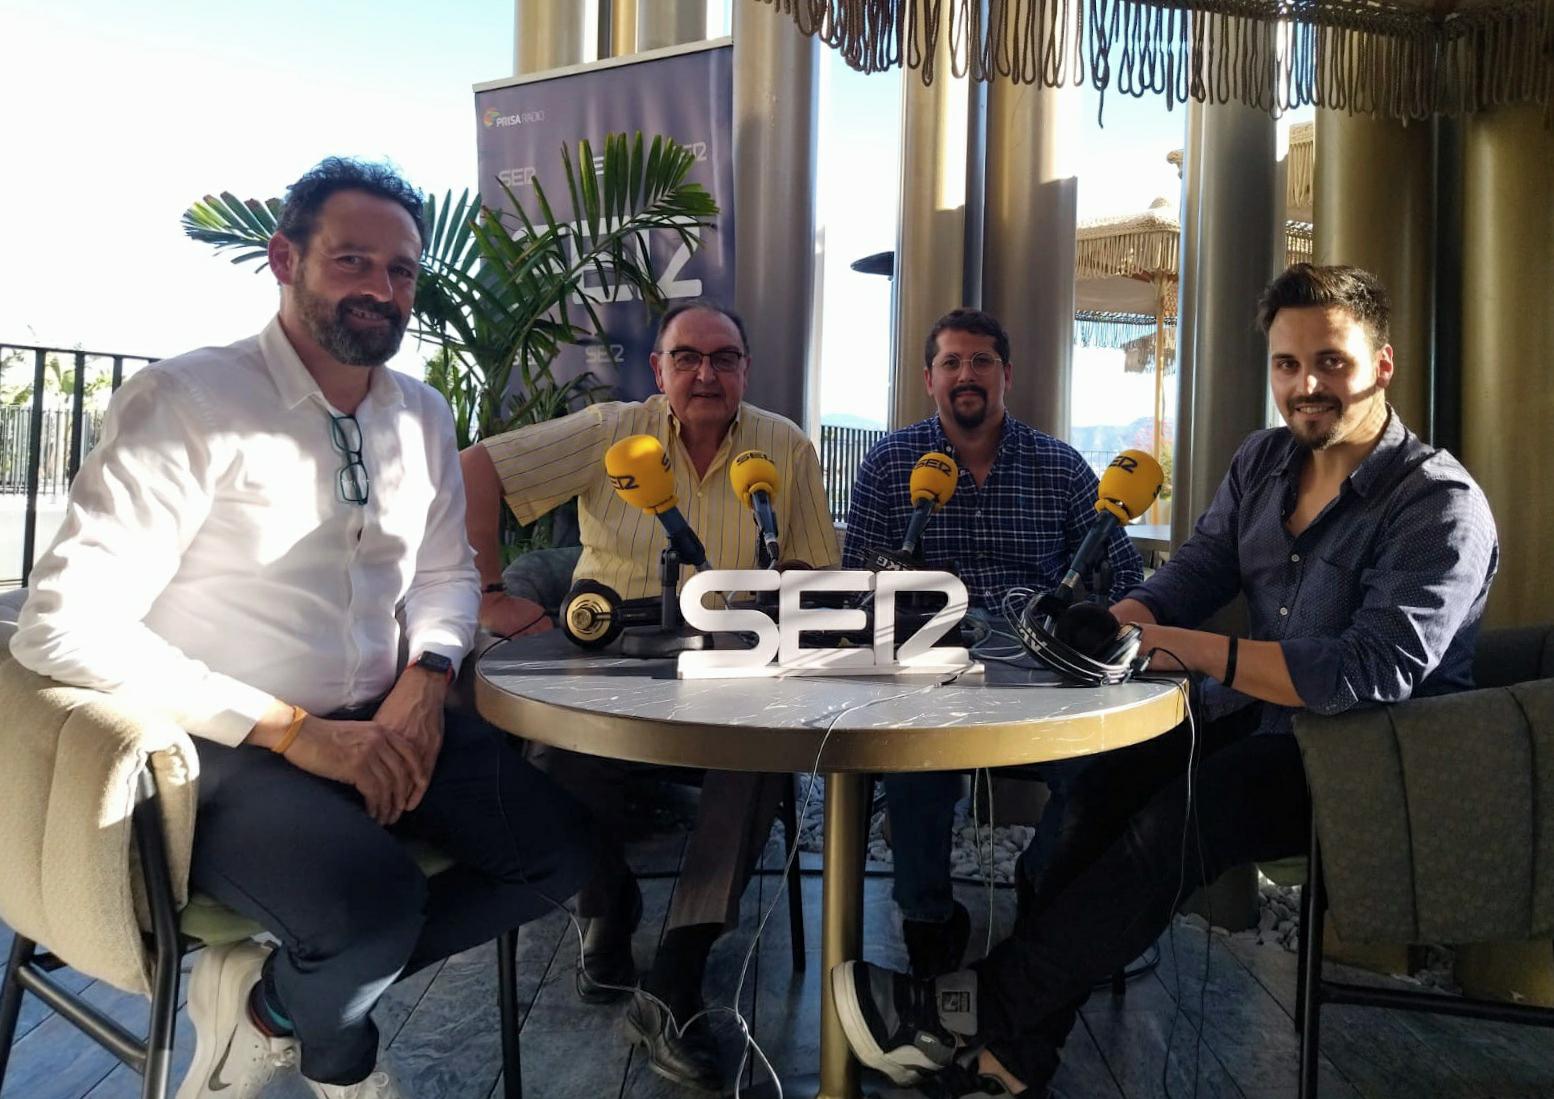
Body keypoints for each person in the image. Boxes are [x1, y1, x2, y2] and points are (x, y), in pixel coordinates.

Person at [829, 264, 1499, 1098]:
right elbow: (1200, 566)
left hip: (1375, 759)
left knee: (1180, 820)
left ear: (1383, 363)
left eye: (1330, 361)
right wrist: (1123, 616)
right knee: (1092, 801)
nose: (1306, 385)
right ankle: (1011, 1059)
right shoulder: (1264, 461)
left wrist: (1186, 646)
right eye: (1287, 365)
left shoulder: (1439, 503)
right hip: (1261, 721)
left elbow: (1368, 671)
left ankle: (960, 1009)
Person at [10, 159, 593, 1099]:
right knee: (374, 909)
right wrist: (288, 726)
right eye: (353, 260)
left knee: (564, 855)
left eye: (401, 271)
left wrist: (430, 674)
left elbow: (447, 573)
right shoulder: (190, 403)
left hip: (390, 716)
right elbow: (59, 625)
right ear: (285, 259)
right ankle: (340, 1055)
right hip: (224, 747)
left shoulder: (423, 415)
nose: (381, 288)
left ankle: (270, 1005)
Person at [460, 298, 840, 1091]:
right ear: (658, 368)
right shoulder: (609, 431)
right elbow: (477, 469)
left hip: (736, 664)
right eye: (688, 357)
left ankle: (678, 971)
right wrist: (491, 591)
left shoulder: (785, 447)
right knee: (556, 757)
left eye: (725, 358)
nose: (707, 373)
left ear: (745, 369)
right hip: (612, 657)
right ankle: (611, 908)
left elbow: (813, 571)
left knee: (758, 759)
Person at [842, 307, 1144, 980]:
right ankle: (927, 920)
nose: (966, 374)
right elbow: (852, 582)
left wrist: (1085, 611)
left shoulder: (1061, 466)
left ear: (1006, 375)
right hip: (926, 666)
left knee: (1099, 772)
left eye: (980, 361)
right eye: (951, 362)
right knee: (912, 764)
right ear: (929, 379)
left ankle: (1043, 887)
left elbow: (1125, 573)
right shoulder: (892, 464)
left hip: (1037, 671)